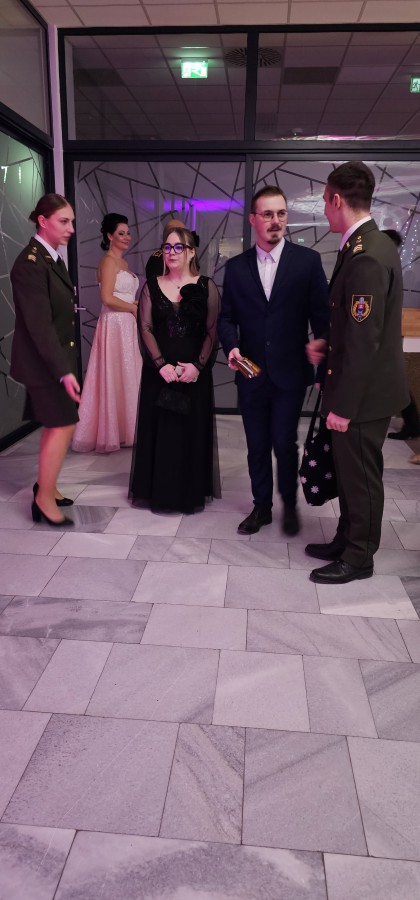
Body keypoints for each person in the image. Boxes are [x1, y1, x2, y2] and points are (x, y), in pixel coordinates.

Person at [306, 162, 410, 584]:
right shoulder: (365, 244)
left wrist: (344, 406)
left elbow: (366, 341)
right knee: (349, 474)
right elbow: (354, 327)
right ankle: (347, 539)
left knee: (362, 477)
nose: (323, 210)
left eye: (324, 201)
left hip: (363, 397)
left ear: (336, 199)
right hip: (362, 388)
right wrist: (327, 344)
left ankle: (359, 557)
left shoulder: (366, 255)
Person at [218, 185, 329, 536]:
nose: (275, 221)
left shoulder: (307, 262)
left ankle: (290, 505)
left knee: (284, 442)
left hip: (290, 373)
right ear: (253, 219)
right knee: (256, 445)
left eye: (281, 213)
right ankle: (261, 507)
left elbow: (322, 317)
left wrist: (323, 352)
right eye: (267, 214)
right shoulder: (236, 268)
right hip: (250, 373)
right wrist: (231, 347)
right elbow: (226, 318)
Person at [129, 226, 220, 513]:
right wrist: (160, 364)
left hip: (193, 374)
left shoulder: (206, 286)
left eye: (178, 247)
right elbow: (145, 327)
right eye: (167, 247)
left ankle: (188, 493)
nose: (171, 253)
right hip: (161, 373)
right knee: (162, 433)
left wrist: (198, 366)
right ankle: (159, 493)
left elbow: (212, 331)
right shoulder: (151, 286)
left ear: (191, 252)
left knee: (190, 433)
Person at [10, 193, 80, 526]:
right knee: (62, 425)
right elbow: (40, 327)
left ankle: (47, 487)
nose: (71, 229)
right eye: (64, 221)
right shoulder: (30, 264)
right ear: (43, 221)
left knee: (59, 425)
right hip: (44, 364)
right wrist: (64, 371)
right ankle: (43, 498)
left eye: (72, 222)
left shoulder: (51, 258)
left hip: (55, 359)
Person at [72, 214, 142, 453]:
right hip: (114, 324)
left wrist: (135, 305)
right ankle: (111, 432)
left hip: (126, 325)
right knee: (113, 374)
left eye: (128, 233)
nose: (126, 237)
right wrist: (133, 308)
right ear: (109, 236)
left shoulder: (124, 263)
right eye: (121, 233)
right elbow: (107, 298)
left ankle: (126, 429)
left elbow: (122, 296)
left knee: (127, 373)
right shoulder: (109, 262)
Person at [380, 230, 420, 441]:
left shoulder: (388, 266)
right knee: (394, 381)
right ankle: (412, 424)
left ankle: (413, 424)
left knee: (396, 382)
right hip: (385, 332)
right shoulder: (389, 265)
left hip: (385, 333)